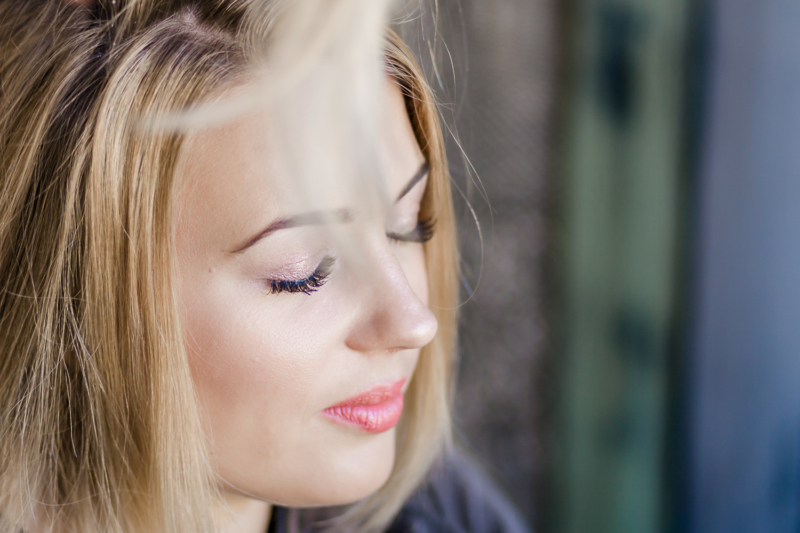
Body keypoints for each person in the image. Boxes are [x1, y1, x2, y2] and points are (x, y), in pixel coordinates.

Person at [0, 1, 529, 532]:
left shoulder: (445, 515)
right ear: (68, 307)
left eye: (407, 225)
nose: (414, 322)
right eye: (305, 271)